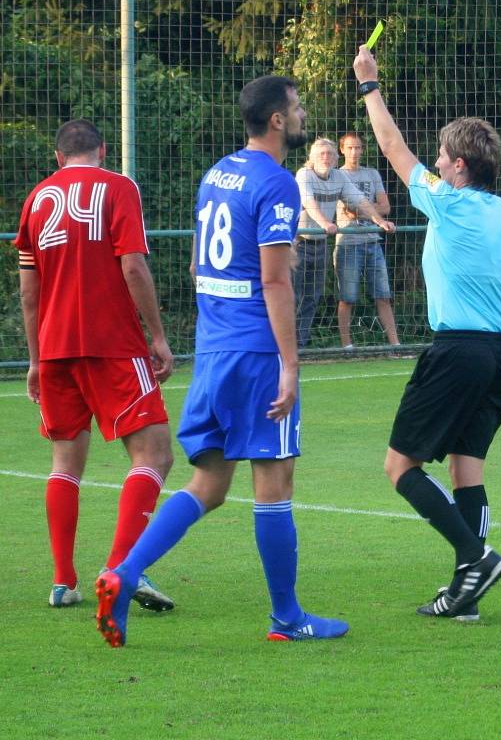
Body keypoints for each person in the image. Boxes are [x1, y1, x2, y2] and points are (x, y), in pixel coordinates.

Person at [95, 76, 349, 647]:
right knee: (275, 481)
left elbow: (195, 266)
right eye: (297, 105)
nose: (304, 111)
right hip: (256, 352)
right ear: (278, 121)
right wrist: (289, 362)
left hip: (214, 348)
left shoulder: (217, 173)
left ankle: (124, 572)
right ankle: (287, 617)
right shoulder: (278, 184)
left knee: (209, 481)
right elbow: (276, 280)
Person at [353, 46, 501, 620]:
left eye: (442, 156)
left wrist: (370, 84)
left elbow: (390, 146)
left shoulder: (448, 203)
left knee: (400, 467)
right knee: (468, 470)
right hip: (497, 355)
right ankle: (465, 593)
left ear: (461, 166)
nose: (436, 163)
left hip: (457, 350)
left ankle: (475, 556)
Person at [15, 119, 175, 612]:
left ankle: (64, 581)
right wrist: (159, 336)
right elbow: (132, 265)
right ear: (102, 150)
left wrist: (36, 360)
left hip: (56, 347)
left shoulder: (36, 199)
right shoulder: (118, 187)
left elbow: (28, 291)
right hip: (113, 344)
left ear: (58, 156)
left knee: (65, 464)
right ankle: (121, 568)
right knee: (154, 456)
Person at [293, 137, 395, 348]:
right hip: (297, 244)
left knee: (312, 297)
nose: (326, 157)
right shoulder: (304, 174)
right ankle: (282, 347)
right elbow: (308, 202)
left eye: (330, 154)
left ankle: (299, 347)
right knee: (291, 296)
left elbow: (359, 201)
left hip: (320, 244)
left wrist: (380, 221)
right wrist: (324, 222)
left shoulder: (338, 177)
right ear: (311, 157)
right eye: (321, 153)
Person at [335, 132, 400, 349]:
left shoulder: (372, 174)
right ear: (342, 150)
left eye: (359, 147)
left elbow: (386, 207)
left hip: (373, 241)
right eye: (350, 148)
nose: (355, 152)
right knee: (348, 297)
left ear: (363, 150)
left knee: (383, 295)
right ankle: (347, 347)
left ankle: (396, 345)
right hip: (348, 243)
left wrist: (360, 211)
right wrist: (371, 210)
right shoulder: (336, 175)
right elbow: (371, 209)